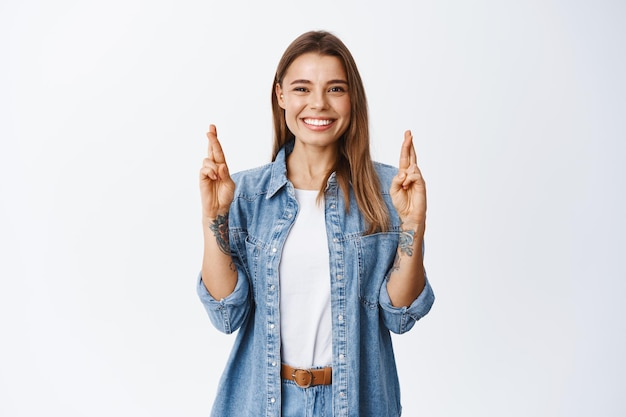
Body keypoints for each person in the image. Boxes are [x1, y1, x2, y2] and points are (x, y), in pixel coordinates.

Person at [196, 30, 435, 417]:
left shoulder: (387, 193)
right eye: (302, 89)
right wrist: (214, 218)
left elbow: (401, 314)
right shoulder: (245, 194)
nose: (318, 104)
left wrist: (412, 225)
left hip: (354, 403)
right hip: (263, 404)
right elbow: (226, 314)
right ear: (281, 96)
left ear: (352, 97)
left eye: (335, 89)